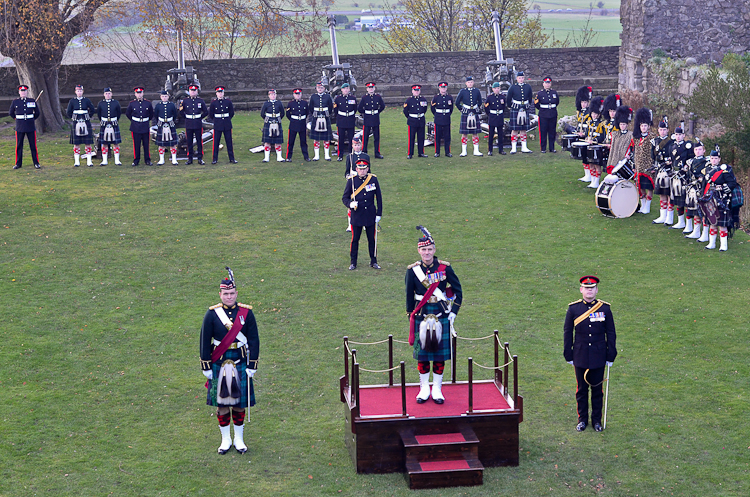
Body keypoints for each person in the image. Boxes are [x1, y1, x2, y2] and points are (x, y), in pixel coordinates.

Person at [200, 268, 260, 454]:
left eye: (232, 293)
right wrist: (206, 365)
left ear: (236, 293)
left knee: (239, 404)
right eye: (225, 294)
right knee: (222, 404)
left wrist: (252, 365)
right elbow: (204, 340)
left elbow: (254, 340)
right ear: (220, 294)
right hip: (219, 362)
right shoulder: (212, 314)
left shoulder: (246, 313)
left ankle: (239, 439)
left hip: (241, 360)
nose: (229, 297)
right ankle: (225, 439)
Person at [406, 226, 462, 404]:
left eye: (430, 249)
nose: (427, 253)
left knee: (438, 355)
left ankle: (437, 388)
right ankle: (424, 388)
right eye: (423, 249)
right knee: (422, 355)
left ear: (434, 250)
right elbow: (409, 295)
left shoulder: (445, 268)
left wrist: (453, 312)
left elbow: (458, 292)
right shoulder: (412, 270)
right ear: (419, 251)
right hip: (422, 315)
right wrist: (411, 315)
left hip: (441, 314)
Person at [563, 275, 616, 432]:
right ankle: (582, 420)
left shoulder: (605, 309)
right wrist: (568, 354)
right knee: (581, 390)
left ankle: (596, 421)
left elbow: (611, 333)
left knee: (597, 391)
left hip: (598, 356)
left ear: (597, 290)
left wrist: (611, 354)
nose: (589, 291)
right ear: (581, 290)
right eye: (586, 288)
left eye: (592, 288)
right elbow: (567, 332)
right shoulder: (573, 309)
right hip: (580, 355)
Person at [342, 157, 382, 270]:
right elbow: (344, 198)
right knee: (355, 240)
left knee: (371, 240)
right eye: (360, 169)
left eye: (364, 168)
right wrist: (350, 204)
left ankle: (373, 261)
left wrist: (379, 213)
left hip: (370, 214)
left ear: (367, 169)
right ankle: (353, 262)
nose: (362, 171)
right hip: (357, 215)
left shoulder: (373, 179)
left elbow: (379, 198)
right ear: (356, 169)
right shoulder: (352, 181)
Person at [701, 145, 741, 251]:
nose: (713, 160)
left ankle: (723, 245)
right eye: (712, 158)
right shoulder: (707, 170)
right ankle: (712, 243)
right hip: (710, 198)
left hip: (722, 199)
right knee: (712, 221)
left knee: (722, 223)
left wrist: (723, 187)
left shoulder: (724, 170)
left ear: (719, 159)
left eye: (715, 158)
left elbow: (732, 183)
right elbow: (704, 185)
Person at [668, 124, 694, 230]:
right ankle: (681, 222)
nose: (678, 136)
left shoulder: (688, 146)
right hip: (675, 175)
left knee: (686, 200)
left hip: (685, 176)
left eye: (680, 134)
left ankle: (689, 225)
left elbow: (692, 159)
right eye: (676, 134)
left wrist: (687, 166)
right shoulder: (672, 147)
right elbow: (672, 160)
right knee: (677, 199)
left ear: (683, 135)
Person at [9, 84, 41, 169]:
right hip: (20, 127)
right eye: (21, 91)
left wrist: (32, 119)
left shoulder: (32, 101)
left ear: (27, 92)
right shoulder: (15, 102)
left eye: (25, 91)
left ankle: (36, 163)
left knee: (33, 145)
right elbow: (11, 113)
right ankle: (18, 164)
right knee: (19, 145)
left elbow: (37, 113)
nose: (23, 93)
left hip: (30, 126)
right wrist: (16, 119)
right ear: (19, 92)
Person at [650, 116, 675, 224]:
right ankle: (662, 216)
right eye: (660, 129)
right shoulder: (655, 141)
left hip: (669, 170)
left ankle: (669, 217)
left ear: (668, 130)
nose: (662, 131)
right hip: (660, 169)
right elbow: (652, 155)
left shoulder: (671, 142)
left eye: (664, 129)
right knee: (661, 193)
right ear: (658, 130)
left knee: (669, 193)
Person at [344, 137, 371, 231]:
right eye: (355, 145)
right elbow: (347, 171)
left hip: (364, 182)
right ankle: (350, 224)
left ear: (361, 145)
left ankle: (364, 223)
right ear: (352, 146)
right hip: (353, 182)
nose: (357, 147)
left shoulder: (366, 156)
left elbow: (369, 171)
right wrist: (349, 177)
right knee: (352, 203)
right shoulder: (350, 157)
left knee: (364, 203)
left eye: (358, 145)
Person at [683, 140, 708, 241]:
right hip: (692, 189)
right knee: (694, 210)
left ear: (704, 150)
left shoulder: (707, 162)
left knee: (704, 212)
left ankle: (705, 234)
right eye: (696, 150)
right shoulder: (690, 161)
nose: (698, 151)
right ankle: (696, 232)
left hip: (703, 189)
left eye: (700, 149)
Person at [631, 108, 655, 213]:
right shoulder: (636, 138)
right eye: (641, 126)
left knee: (649, 187)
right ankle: (643, 205)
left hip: (648, 166)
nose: (643, 128)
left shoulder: (653, 137)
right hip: (638, 167)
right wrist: (634, 165)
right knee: (640, 187)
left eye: (645, 126)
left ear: (648, 126)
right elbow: (634, 151)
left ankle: (648, 207)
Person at [67, 85, 96, 167]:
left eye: (80, 91)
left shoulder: (87, 100)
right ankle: (77, 162)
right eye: (78, 91)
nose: (79, 92)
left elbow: (92, 109)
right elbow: (68, 112)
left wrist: (88, 116)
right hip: (76, 123)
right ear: (75, 92)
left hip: (86, 122)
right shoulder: (72, 101)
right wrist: (73, 118)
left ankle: (89, 161)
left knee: (88, 142)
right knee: (76, 143)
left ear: (83, 91)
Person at [506, 71, 534, 154]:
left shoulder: (528, 87)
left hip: (524, 107)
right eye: (519, 78)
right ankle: (513, 148)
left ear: (523, 78)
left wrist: (527, 105)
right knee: (514, 129)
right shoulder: (512, 87)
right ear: (517, 78)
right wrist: (511, 106)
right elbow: (508, 98)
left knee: (523, 129)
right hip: (515, 108)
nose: (521, 79)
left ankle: (524, 147)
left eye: (522, 78)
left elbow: (530, 97)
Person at [455, 76, 483, 157]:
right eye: (468, 82)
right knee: (464, 133)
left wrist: (476, 108)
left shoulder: (477, 91)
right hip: (466, 113)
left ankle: (476, 150)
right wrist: (462, 109)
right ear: (466, 83)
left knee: (475, 132)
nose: (470, 83)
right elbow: (457, 102)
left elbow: (480, 101)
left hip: (474, 112)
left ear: (473, 83)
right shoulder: (462, 91)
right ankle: (464, 151)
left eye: (471, 82)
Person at [126, 86, 154, 167]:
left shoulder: (148, 103)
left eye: (140, 93)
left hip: (145, 126)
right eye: (137, 93)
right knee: (136, 144)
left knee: (146, 144)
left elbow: (151, 114)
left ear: (143, 93)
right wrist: (134, 121)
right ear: (135, 94)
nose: (139, 95)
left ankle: (147, 160)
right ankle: (136, 160)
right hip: (135, 127)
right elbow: (128, 114)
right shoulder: (132, 103)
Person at [180, 84, 208, 165]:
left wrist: (200, 117)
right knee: (189, 141)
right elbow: (181, 111)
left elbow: (205, 111)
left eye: (194, 91)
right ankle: (190, 158)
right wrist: (186, 117)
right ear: (189, 92)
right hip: (189, 123)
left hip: (197, 123)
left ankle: (200, 158)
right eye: (191, 91)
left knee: (199, 141)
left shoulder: (200, 101)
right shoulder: (185, 101)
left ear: (197, 91)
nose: (193, 92)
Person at [209, 86, 237, 164]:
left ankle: (232, 158)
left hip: (227, 124)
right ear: (216, 94)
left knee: (229, 142)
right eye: (219, 92)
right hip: (218, 124)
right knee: (216, 142)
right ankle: (215, 159)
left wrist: (227, 119)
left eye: (221, 92)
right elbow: (211, 114)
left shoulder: (228, 102)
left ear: (223, 93)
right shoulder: (213, 102)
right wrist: (216, 121)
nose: (220, 94)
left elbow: (231, 113)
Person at [357, 81, 385, 158]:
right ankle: (364, 152)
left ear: (374, 88)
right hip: (367, 118)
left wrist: (377, 112)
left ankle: (377, 153)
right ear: (367, 89)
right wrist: (365, 114)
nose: (371, 89)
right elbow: (359, 108)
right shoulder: (364, 98)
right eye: (369, 88)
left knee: (376, 137)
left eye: (372, 87)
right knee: (365, 136)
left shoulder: (378, 97)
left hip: (375, 118)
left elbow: (382, 106)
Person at [96, 87, 123, 166]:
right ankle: (104, 160)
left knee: (116, 142)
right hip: (104, 123)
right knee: (104, 142)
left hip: (113, 123)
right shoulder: (101, 103)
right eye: (106, 94)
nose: (108, 95)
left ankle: (117, 160)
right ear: (104, 94)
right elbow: (98, 114)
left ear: (112, 94)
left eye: (109, 93)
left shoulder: (116, 103)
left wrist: (114, 120)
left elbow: (119, 113)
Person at [309, 81, 334, 161]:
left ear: (324, 88)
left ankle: (327, 155)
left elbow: (330, 107)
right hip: (316, 117)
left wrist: (326, 113)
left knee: (326, 138)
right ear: (316, 88)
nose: (320, 89)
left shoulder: (328, 96)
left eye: (321, 87)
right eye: (318, 87)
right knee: (316, 138)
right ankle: (316, 155)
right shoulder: (313, 96)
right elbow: (310, 107)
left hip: (325, 116)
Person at [153, 90, 179, 165]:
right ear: (160, 97)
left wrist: (171, 121)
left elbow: (175, 114)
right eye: (163, 96)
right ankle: (161, 159)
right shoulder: (158, 105)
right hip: (161, 124)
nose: (164, 98)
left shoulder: (172, 105)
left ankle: (174, 159)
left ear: (168, 97)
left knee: (172, 143)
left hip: (170, 124)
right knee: (161, 144)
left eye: (165, 96)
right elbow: (156, 115)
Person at [534, 76, 559, 153]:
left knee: (552, 131)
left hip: (553, 114)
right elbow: (536, 104)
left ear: (550, 84)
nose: (547, 84)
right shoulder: (539, 94)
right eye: (546, 83)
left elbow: (557, 102)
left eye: (549, 83)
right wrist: (542, 110)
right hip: (543, 115)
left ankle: (552, 148)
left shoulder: (554, 93)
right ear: (543, 84)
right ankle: (543, 148)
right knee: (543, 131)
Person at [605, 105, 633, 174]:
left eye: (624, 124)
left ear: (627, 125)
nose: (622, 126)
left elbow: (632, 147)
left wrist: (630, 155)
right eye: (621, 124)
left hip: (624, 159)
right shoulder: (615, 134)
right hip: (614, 157)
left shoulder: (631, 135)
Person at [583, 97, 604, 189]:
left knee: (597, 164)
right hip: (589, 145)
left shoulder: (601, 124)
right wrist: (587, 138)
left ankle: (597, 181)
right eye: (592, 113)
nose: (594, 115)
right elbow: (587, 133)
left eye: (595, 114)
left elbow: (601, 136)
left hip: (597, 146)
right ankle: (592, 180)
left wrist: (594, 141)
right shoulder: (589, 123)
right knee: (590, 163)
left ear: (599, 114)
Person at [260, 89, 285, 163]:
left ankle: (279, 157)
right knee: (267, 141)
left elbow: (282, 113)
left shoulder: (279, 103)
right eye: (271, 94)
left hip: (277, 122)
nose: (273, 96)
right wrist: (268, 119)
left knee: (278, 140)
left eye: (274, 94)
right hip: (268, 123)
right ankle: (266, 157)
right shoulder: (266, 103)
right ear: (269, 96)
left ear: (276, 95)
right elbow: (262, 114)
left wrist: (277, 119)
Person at [285, 88, 310, 162]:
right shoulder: (290, 103)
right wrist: (293, 120)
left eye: (299, 94)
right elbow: (287, 114)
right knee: (291, 141)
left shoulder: (304, 103)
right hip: (293, 124)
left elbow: (307, 112)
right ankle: (288, 157)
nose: (297, 96)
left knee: (303, 141)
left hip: (302, 124)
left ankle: (306, 156)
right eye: (296, 94)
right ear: (293, 95)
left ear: (301, 94)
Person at [403, 84, 428, 159]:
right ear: (412, 91)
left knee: (421, 137)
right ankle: (410, 153)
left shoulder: (423, 99)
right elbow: (405, 111)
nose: (416, 92)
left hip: (421, 120)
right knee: (411, 138)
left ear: (420, 91)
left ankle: (421, 152)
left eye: (418, 90)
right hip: (412, 121)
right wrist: (411, 117)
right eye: (415, 90)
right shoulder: (409, 100)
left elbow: (425, 109)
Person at [334, 83, 357, 161]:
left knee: (351, 138)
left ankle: (351, 153)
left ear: (349, 89)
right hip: (341, 121)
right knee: (341, 138)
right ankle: (340, 155)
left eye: (347, 88)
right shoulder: (338, 99)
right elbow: (335, 110)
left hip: (350, 120)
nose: (346, 90)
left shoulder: (353, 98)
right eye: (344, 89)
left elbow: (355, 108)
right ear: (341, 90)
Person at [430, 81, 454, 157]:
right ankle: (437, 152)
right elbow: (432, 108)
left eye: (444, 87)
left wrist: (447, 115)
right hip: (438, 119)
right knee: (437, 136)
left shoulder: (449, 97)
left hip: (446, 118)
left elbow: (451, 108)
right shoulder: (436, 97)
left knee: (447, 136)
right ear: (439, 88)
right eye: (442, 88)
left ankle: (447, 152)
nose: (443, 89)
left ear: (446, 88)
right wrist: (437, 115)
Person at [575, 86, 593, 180]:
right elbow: (579, 124)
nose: (583, 104)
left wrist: (585, 134)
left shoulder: (589, 113)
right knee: (583, 155)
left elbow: (590, 126)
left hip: (586, 136)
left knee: (587, 156)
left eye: (585, 102)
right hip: (581, 135)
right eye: (582, 102)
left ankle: (590, 175)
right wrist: (578, 131)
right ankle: (586, 174)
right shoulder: (580, 112)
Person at [484, 82, 506, 156]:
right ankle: (490, 150)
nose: (497, 90)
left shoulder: (502, 97)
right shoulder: (490, 97)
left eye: (498, 88)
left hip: (499, 117)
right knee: (491, 134)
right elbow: (486, 107)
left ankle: (501, 149)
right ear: (492, 89)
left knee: (500, 134)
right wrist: (489, 114)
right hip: (492, 117)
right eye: (495, 88)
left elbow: (504, 106)